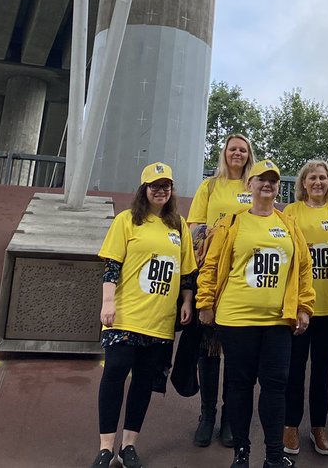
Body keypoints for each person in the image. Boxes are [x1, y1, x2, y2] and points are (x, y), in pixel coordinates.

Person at [197, 159, 315, 468]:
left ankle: (274, 456)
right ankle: (242, 453)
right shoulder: (232, 223)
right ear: (249, 185)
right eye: (261, 179)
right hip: (236, 319)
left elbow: (303, 268)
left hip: (278, 321)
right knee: (239, 385)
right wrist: (205, 303)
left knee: (276, 386)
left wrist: (304, 306)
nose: (267, 184)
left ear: (278, 187)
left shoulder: (288, 224)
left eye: (273, 180)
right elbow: (211, 265)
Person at [91, 162, 197, 468]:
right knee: (115, 374)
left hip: (160, 322)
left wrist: (187, 302)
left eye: (166, 186)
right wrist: (108, 303)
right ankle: (105, 447)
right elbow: (111, 265)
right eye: (155, 186)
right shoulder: (127, 221)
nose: (161, 191)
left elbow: (187, 272)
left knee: (143, 382)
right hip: (125, 317)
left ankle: (129, 445)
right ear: (144, 190)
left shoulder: (178, 225)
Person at [188, 133, 256, 447]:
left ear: (249, 154)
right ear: (224, 153)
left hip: (244, 277)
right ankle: (207, 415)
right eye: (233, 149)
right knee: (209, 347)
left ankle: (231, 417)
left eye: (243, 149)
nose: (237, 154)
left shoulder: (254, 186)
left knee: (237, 351)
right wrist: (214, 232)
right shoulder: (210, 186)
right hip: (213, 275)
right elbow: (192, 229)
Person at [282, 159, 328, 457]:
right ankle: (290, 426)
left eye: (323, 178)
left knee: (322, 370)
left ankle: (319, 427)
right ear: (303, 182)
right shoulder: (290, 212)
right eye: (312, 178)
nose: (318, 183)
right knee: (294, 369)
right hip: (299, 307)